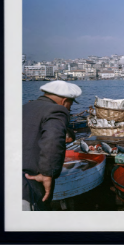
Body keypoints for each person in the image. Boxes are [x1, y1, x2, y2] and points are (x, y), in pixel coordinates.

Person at [23, 80, 82, 211]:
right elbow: (52, 141)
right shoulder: (57, 110)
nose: (69, 108)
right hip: (30, 184)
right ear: (64, 101)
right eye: (70, 105)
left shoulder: (24, 108)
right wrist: (47, 173)